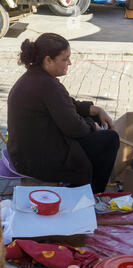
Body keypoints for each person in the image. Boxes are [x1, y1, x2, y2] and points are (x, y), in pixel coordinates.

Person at [7, 33, 120, 194]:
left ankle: (88, 188)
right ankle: (92, 194)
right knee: (110, 140)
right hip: (36, 159)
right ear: (48, 60)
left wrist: (94, 110)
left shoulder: (38, 76)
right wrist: (93, 126)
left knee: (93, 119)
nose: (70, 63)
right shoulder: (46, 84)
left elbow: (66, 104)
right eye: (65, 59)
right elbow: (74, 127)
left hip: (30, 151)